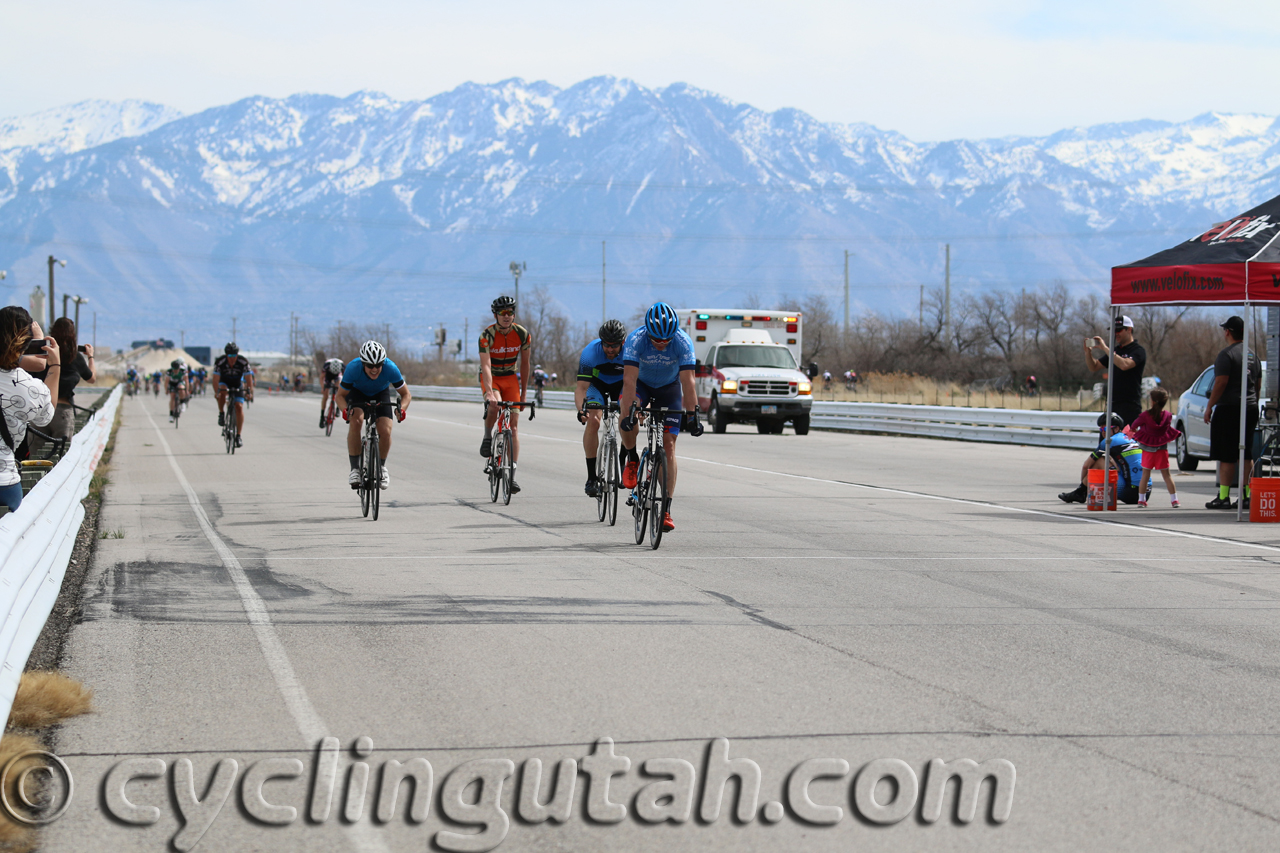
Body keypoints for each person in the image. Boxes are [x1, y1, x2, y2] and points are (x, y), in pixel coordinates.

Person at [618, 301, 704, 532]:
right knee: (627, 416)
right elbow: (629, 381)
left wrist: (694, 415)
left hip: (669, 389)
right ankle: (632, 458)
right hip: (641, 386)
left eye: (666, 340)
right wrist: (629, 414)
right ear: (648, 332)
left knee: (670, 446)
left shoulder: (683, 342)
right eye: (656, 339)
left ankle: (666, 509)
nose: (661, 344)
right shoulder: (636, 340)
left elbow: (688, 382)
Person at [0, 307, 58, 511]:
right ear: (25, 343)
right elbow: (46, 415)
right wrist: (56, 366)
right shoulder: (26, 387)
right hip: (3, 482)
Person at [334, 340, 410, 490]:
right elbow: (340, 396)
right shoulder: (353, 368)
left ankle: (381, 467)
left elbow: (406, 394)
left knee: (386, 430)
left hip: (381, 393)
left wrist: (401, 409)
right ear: (363, 364)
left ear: (383, 363)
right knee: (356, 421)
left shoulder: (390, 368)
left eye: (378, 365)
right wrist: (345, 410)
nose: (374, 369)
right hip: (358, 393)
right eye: (370, 366)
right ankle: (355, 469)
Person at [1204, 315, 1260, 510]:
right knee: (1245, 454)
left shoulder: (1226, 355)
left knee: (1227, 455)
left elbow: (1221, 382)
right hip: (1250, 407)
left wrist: (1210, 405)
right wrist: (1253, 401)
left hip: (1229, 408)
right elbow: (1257, 384)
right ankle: (1246, 495)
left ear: (1227, 332)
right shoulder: (1253, 355)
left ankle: (1224, 496)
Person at [478, 295, 531, 493]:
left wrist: (524, 394)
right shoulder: (486, 335)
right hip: (491, 377)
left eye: (510, 313)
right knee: (495, 404)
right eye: (502, 313)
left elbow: (525, 365)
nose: (506, 316)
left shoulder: (523, 334)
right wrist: (490, 392)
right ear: (496, 315)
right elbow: (485, 365)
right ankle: (487, 436)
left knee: (514, 429)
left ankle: (512, 476)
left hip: (510, 378)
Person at [574, 319, 627, 497]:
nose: (610, 349)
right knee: (593, 421)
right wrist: (582, 410)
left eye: (614, 346)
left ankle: (622, 463)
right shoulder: (590, 353)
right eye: (606, 345)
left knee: (627, 418)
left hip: (621, 385)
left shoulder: (630, 352)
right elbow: (581, 387)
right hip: (597, 386)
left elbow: (637, 384)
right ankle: (591, 478)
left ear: (623, 342)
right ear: (601, 342)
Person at [1058, 412, 1144, 505]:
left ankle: (1080, 492)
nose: (1103, 431)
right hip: (1145, 493)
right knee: (1113, 461)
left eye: (1106, 428)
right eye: (1101, 428)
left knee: (1100, 461)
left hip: (1129, 493)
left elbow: (1086, 466)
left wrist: (1084, 483)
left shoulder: (1109, 441)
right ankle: (1081, 492)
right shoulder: (1129, 438)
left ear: (1117, 428)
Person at [1085, 315, 1147, 425]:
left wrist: (1105, 348)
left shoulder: (1138, 350)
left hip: (1130, 405)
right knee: (1107, 440)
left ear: (1129, 330)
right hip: (1112, 404)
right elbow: (1094, 367)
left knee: (1126, 440)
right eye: (1114, 330)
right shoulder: (1115, 351)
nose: (1116, 333)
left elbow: (1124, 365)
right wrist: (1088, 353)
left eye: (1118, 330)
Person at [43, 317, 95, 442]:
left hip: (42, 408)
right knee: (61, 455)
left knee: (36, 456)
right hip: (63, 411)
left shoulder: (45, 353)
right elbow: (91, 378)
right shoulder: (75, 356)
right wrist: (90, 357)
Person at [1130, 388, 1181, 508]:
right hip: (1162, 449)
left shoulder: (1145, 416)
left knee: (1145, 475)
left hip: (1148, 449)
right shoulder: (1167, 416)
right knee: (1167, 475)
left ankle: (1141, 500)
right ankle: (1174, 500)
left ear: (1152, 401)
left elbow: (1133, 426)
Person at [212, 342, 254, 445]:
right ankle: (221, 413)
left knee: (239, 407)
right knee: (222, 391)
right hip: (224, 382)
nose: (232, 358)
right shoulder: (220, 362)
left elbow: (249, 379)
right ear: (226, 355)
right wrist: (216, 392)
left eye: (234, 355)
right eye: (229, 355)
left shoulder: (243, 362)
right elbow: (215, 380)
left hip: (237, 384)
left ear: (237, 354)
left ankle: (238, 436)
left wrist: (249, 392)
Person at [319, 357, 344, 428]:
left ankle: (338, 408)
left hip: (337, 376)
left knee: (339, 388)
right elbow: (321, 378)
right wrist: (323, 387)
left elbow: (345, 380)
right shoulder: (326, 365)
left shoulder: (342, 366)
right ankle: (322, 416)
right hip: (328, 376)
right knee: (325, 395)